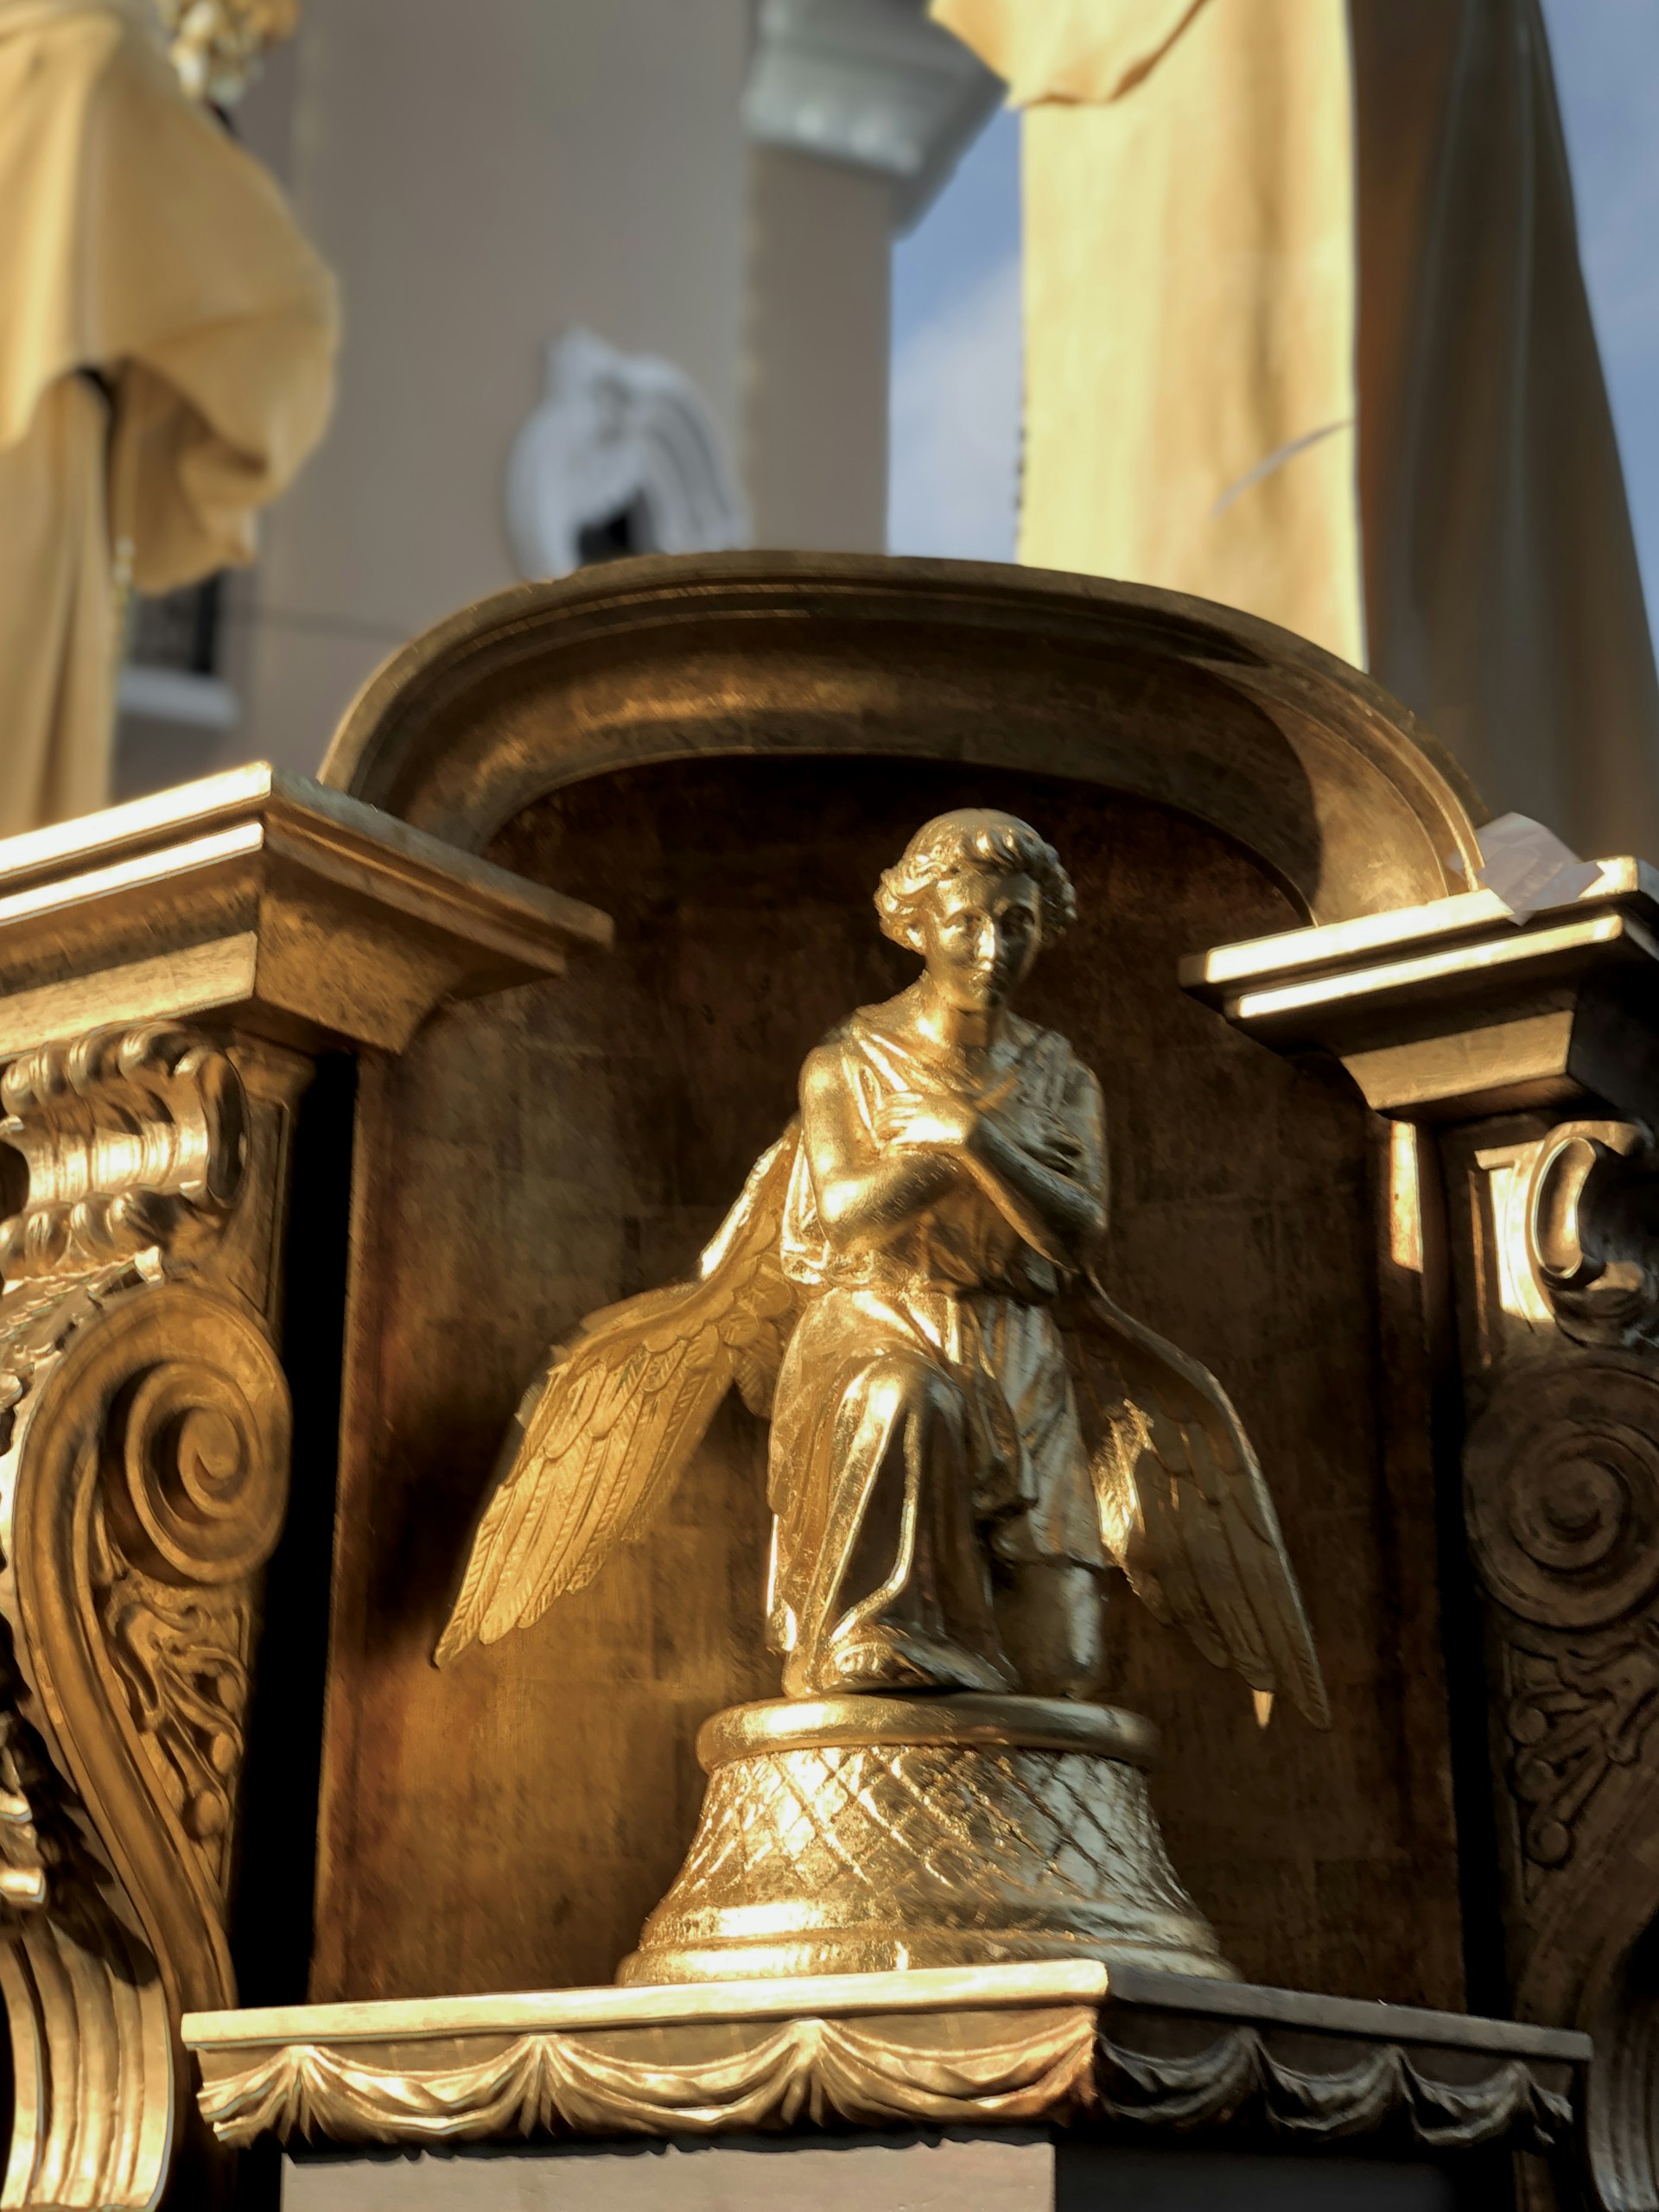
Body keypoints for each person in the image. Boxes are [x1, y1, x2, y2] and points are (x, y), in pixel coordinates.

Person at [768, 809, 1109, 1699]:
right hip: (882, 1321)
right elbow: (850, 1217)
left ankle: (968, 1671)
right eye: (965, 922)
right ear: (916, 925)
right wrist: (972, 1155)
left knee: (1064, 1669)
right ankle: (868, 1626)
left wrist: (969, 1135)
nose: (993, 948)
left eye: (1018, 922)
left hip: (1016, 1347)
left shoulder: (1063, 1076)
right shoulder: (846, 1063)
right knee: (905, 1398)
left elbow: (1077, 1233)